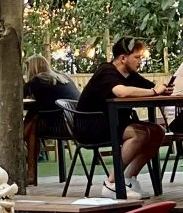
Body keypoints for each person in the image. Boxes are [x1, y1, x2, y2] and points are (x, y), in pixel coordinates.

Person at [77, 37, 169, 200]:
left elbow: (151, 87)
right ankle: (112, 183)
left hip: (113, 123)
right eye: (137, 57)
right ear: (123, 58)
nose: (140, 61)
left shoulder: (130, 74)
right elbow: (122, 92)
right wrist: (154, 92)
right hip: (90, 125)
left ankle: (127, 180)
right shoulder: (106, 71)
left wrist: (167, 89)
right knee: (139, 134)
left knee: (157, 131)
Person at [23, 55, 80, 182]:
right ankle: (28, 167)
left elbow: (19, 95)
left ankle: (30, 171)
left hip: (61, 125)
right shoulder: (63, 77)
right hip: (79, 123)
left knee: (33, 125)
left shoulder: (38, 80)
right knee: (35, 115)